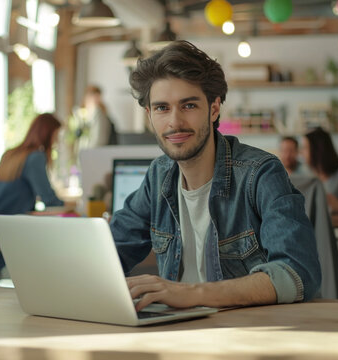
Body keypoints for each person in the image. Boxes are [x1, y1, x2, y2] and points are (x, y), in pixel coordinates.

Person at [109, 41, 321, 312]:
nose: (174, 122)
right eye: (162, 108)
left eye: (188, 106)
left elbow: (299, 274)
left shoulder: (261, 173)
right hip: (175, 334)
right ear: (149, 114)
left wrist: (194, 293)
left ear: (214, 108)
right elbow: (107, 257)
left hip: (246, 337)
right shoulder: (158, 176)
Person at [0, 113, 64, 215]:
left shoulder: (10, 154)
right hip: (10, 224)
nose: (57, 141)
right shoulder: (35, 158)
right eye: (56, 136)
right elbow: (49, 200)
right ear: (47, 134)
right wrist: (70, 208)